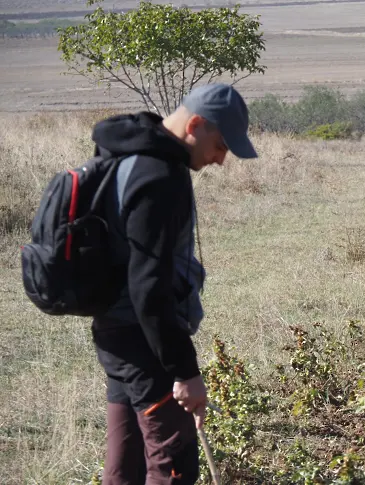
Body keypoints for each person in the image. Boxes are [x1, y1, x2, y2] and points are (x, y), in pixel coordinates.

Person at [90, 83, 258, 484]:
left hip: (115, 334)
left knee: (125, 461)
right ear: (196, 124)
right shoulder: (159, 175)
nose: (220, 160)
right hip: (146, 342)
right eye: (220, 146)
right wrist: (185, 371)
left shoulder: (126, 157)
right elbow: (149, 287)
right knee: (173, 465)